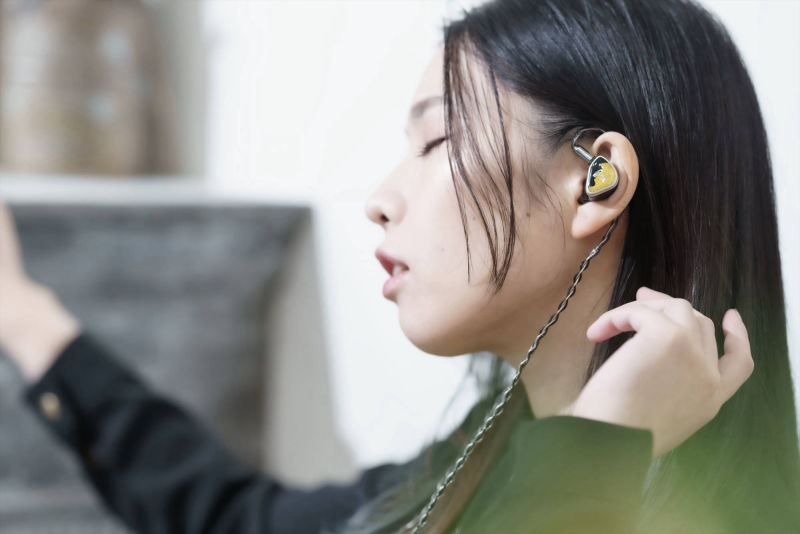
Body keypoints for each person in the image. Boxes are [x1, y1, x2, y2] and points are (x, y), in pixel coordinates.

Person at [1, 0, 798, 532]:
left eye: (438, 139)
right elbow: (239, 518)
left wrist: (600, 444)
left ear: (597, 181)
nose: (382, 200)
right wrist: (22, 312)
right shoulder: (475, 463)